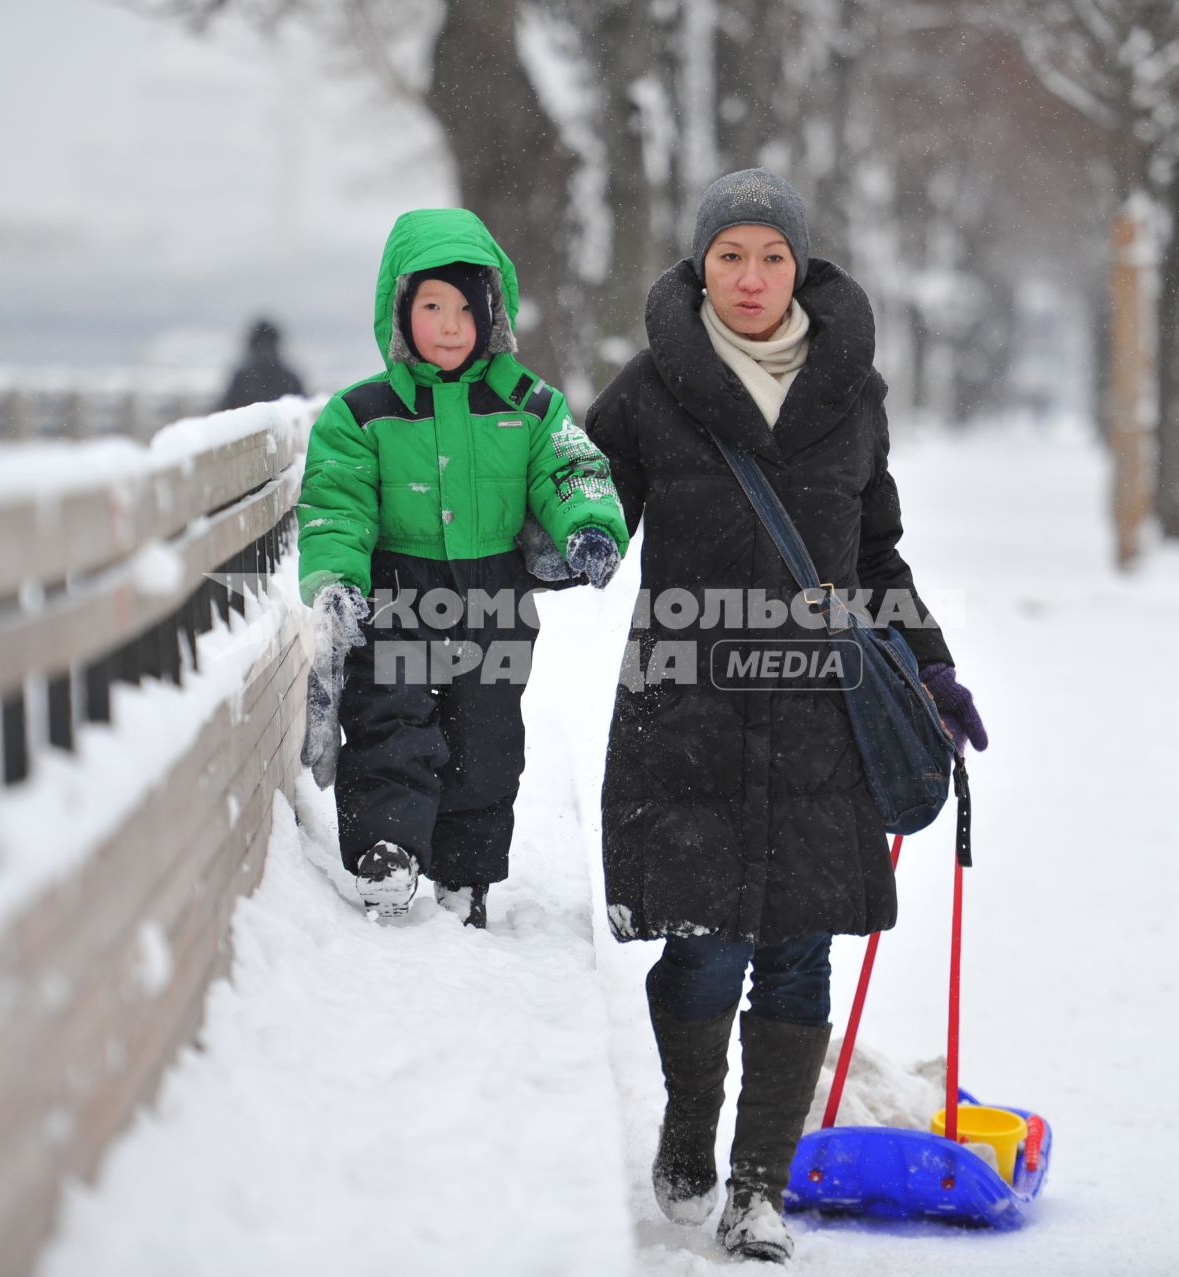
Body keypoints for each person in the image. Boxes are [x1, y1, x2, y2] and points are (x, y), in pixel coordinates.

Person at [584, 169, 986, 1263]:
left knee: (800, 949)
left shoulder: (851, 392)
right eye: (729, 257)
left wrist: (933, 669)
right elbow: (583, 520)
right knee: (707, 946)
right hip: (692, 706)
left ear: (798, 266)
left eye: (769, 257)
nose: (750, 278)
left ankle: (759, 1185)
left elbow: (876, 553)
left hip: (821, 715)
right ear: (701, 267)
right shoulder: (648, 389)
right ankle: (688, 1119)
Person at [296, 208, 628, 928]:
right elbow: (335, 505)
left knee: (487, 739)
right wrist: (338, 582)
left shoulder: (528, 404)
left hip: (494, 595)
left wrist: (590, 527)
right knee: (392, 715)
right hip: (398, 591)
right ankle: (386, 847)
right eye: (430, 307)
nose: (448, 325)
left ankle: (465, 872)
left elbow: (572, 466)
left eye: (464, 309)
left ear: (492, 313)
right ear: (399, 311)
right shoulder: (361, 413)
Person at [218, 317, 305, 410]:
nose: (265, 351)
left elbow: (225, 412)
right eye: (261, 344)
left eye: (268, 344)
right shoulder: (290, 379)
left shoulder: (241, 378)